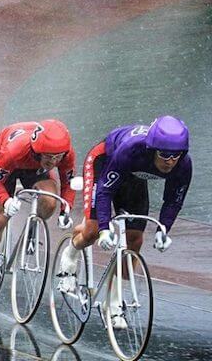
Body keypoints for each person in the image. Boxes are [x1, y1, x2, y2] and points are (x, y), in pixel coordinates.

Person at [57, 115, 191, 329]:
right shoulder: (132, 149)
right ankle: (69, 256)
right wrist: (103, 228)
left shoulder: (183, 165)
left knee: (135, 240)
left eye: (176, 155)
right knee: (91, 231)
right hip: (105, 162)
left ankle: (111, 302)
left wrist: (163, 229)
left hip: (134, 175)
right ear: (153, 148)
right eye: (165, 154)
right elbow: (105, 190)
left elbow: (174, 199)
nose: (170, 161)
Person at [0, 120, 76, 297]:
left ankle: (33, 225)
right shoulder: (14, 151)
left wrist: (65, 210)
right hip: (8, 163)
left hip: (35, 168)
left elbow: (68, 183)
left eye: (57, 157)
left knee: (50, 201)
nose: (53, 162)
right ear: (38, 150)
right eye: (49, 157)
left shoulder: (65, 154)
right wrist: (5, 200)